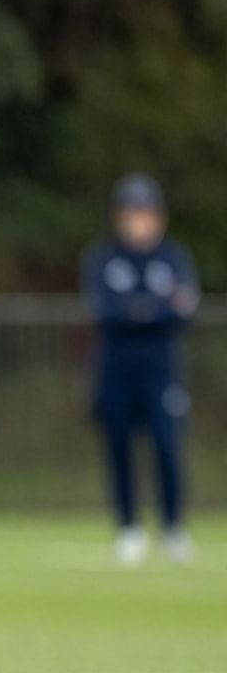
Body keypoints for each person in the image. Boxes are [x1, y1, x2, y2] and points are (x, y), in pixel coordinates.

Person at [82, 173, 200, 566]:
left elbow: (184, 309)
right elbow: (106, 311)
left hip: (162, 371)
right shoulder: (104, 259)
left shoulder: (174, 258)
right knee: (119, 448)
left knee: (167, 446)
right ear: (119, 217)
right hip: (115, 371)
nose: (139, 221)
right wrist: (155, 309)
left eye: (146, 212)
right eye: (132, 213)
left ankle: (172, 527)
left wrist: (137, 310)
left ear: (159, 217)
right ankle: (129, 526)